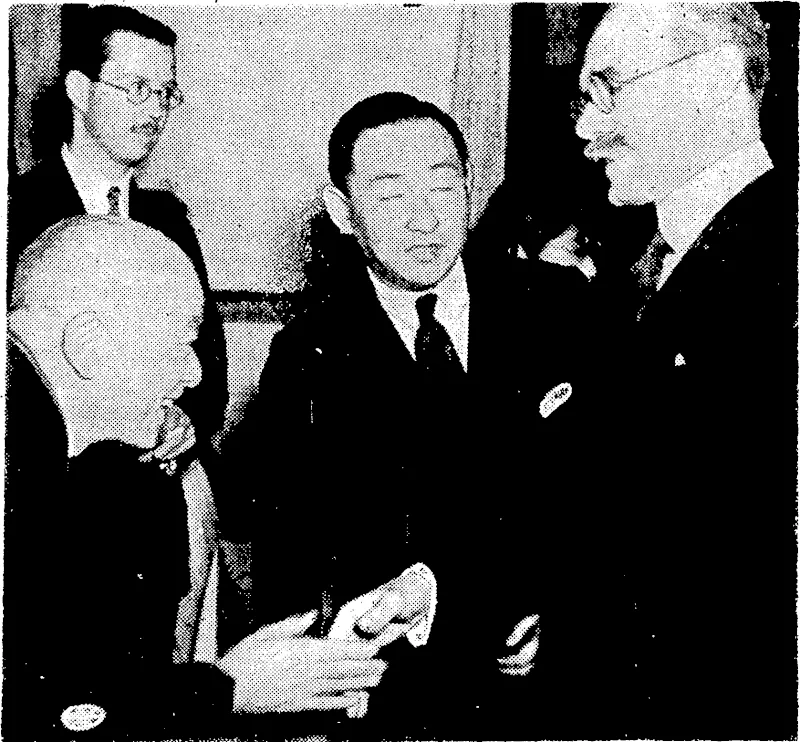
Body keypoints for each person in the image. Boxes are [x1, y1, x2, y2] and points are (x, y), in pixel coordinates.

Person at [220, 92, 583, 736]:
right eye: (390, 193)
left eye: (442, 184)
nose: (424, 218)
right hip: (400, 700)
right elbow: (296, 557)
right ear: (342, 211)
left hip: (555, 685)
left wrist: (566, 612)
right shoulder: (308, 354)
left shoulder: (562, 310)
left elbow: (610, 493)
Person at [4, 216, 388, 741]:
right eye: (172, 342)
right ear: (82, 343)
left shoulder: (105, 469)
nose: (193, 375)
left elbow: (114, 677)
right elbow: (48, 713)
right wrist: (232, 689)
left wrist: (242, 678)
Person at [561, 4, 796, 737]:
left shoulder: (780, 259)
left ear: (717, 81)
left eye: (608, 90)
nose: (582, 129)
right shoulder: (637, 268)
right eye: (581, 99)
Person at [8, 4, 227, 462]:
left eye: (165, 94)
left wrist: (185, 423)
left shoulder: (169, 219)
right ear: (78, 89)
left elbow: (208, 373)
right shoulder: (16, 214)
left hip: (153, 502)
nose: (153, 113)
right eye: (137, 90)